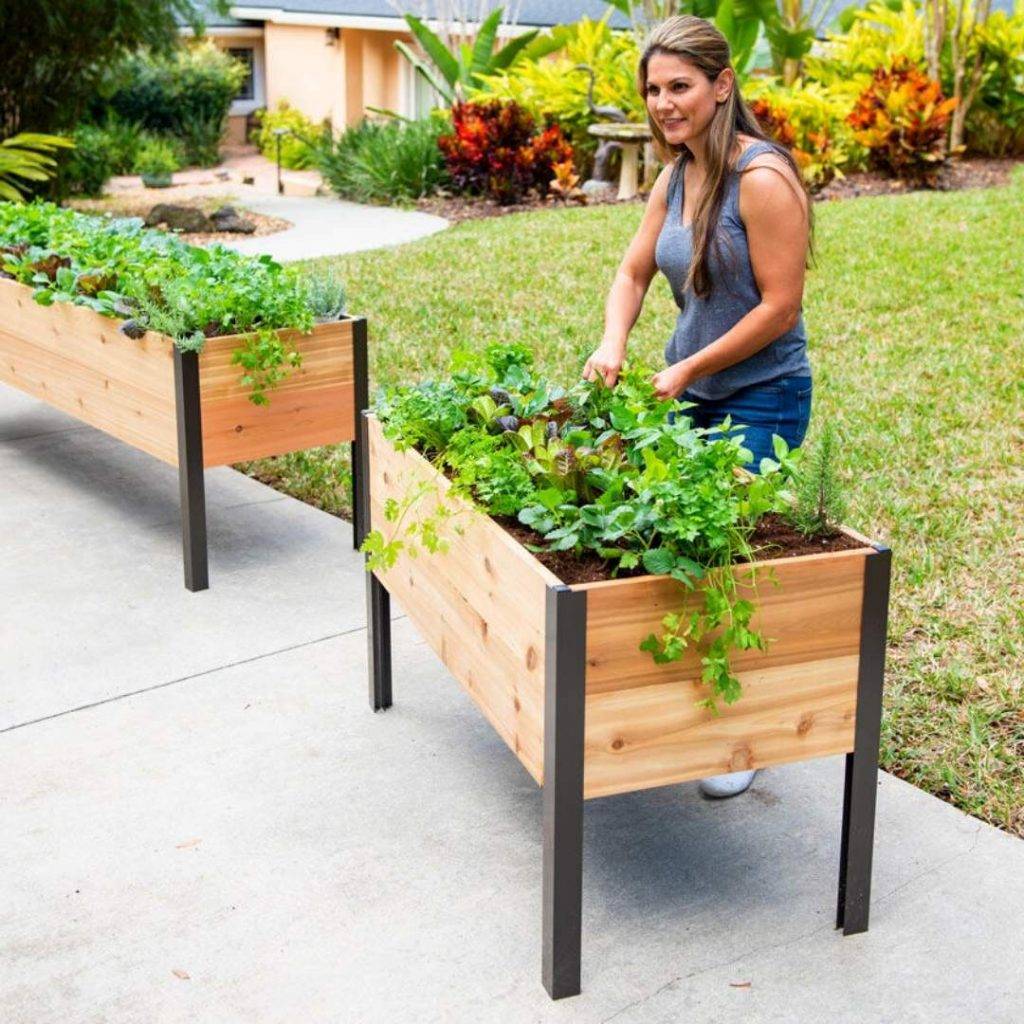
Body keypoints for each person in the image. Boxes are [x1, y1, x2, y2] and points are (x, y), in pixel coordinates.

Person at [583, 15, 814, 799]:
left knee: (722, 562)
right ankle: (682, 706)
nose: (663, 103)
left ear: (721, 86)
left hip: (763, 395)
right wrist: (615, 341)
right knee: (663, 544)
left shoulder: (763, 179)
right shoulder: (675, 175)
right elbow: (632, 271)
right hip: (693, 388)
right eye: (653, 89)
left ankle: (739, 738)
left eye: (679, 86)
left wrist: (686, 367)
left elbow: (779, 308)